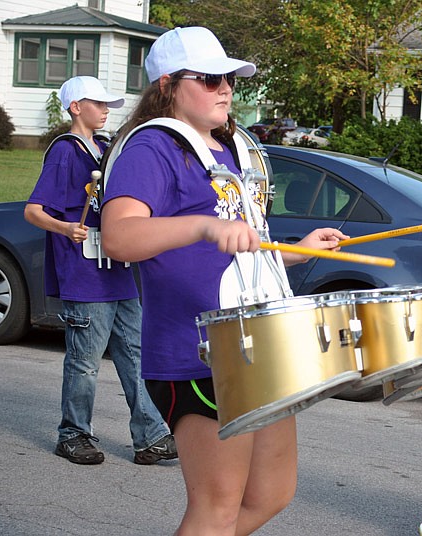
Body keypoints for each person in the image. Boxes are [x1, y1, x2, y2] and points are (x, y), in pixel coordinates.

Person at [100, 27, 349, 534]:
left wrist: (296, 253)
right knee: (216, 507)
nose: (226, 89)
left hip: (259, 343)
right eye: (211, 78)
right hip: (199, 351)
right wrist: (202, 225)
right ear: (168, 84)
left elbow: (238, 253)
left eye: (230, 79)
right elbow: (119, 237)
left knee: (272, 494)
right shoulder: (153, 148)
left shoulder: (226, 149)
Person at [24, 76, 177, 465]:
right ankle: (73, 434)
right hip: (84, 274)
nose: (107, 109)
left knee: (137, 354)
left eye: (108, 103)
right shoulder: (65, 151)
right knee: (85, 362)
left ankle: (151, 436)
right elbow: (33, 210)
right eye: (98, 103)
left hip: (119, 271)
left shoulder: (108, 149)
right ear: (76, 107)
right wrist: (65, 228)